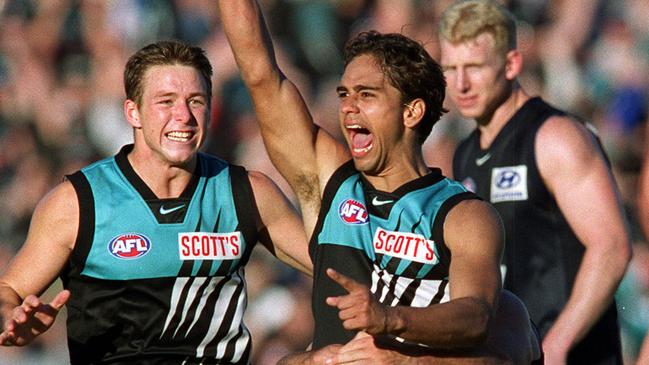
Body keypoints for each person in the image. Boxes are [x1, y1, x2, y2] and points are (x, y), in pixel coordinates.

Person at [218, 1, 541, 363]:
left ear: (411, 111)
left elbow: (475, 317)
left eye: (366, 94)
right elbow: (261, 73)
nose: (348, 107)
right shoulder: (331, 183)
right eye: (344, 94)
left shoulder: (462, 215)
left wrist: (389, 321)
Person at [0, 40, 311, 364]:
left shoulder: (245, 193)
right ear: (132, 111)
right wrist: (13, 317)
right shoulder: (78, 203)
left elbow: (338, 267)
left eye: (196, 101)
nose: (184, 116)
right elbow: (8, 289)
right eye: (166, 101)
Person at [439, 1, 632, 364]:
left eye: (475, 67)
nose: (460, 83)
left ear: (511, 64)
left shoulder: (554, 136)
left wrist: (558, 342)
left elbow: (612, 247)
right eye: (451, 68)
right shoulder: (465, 153)